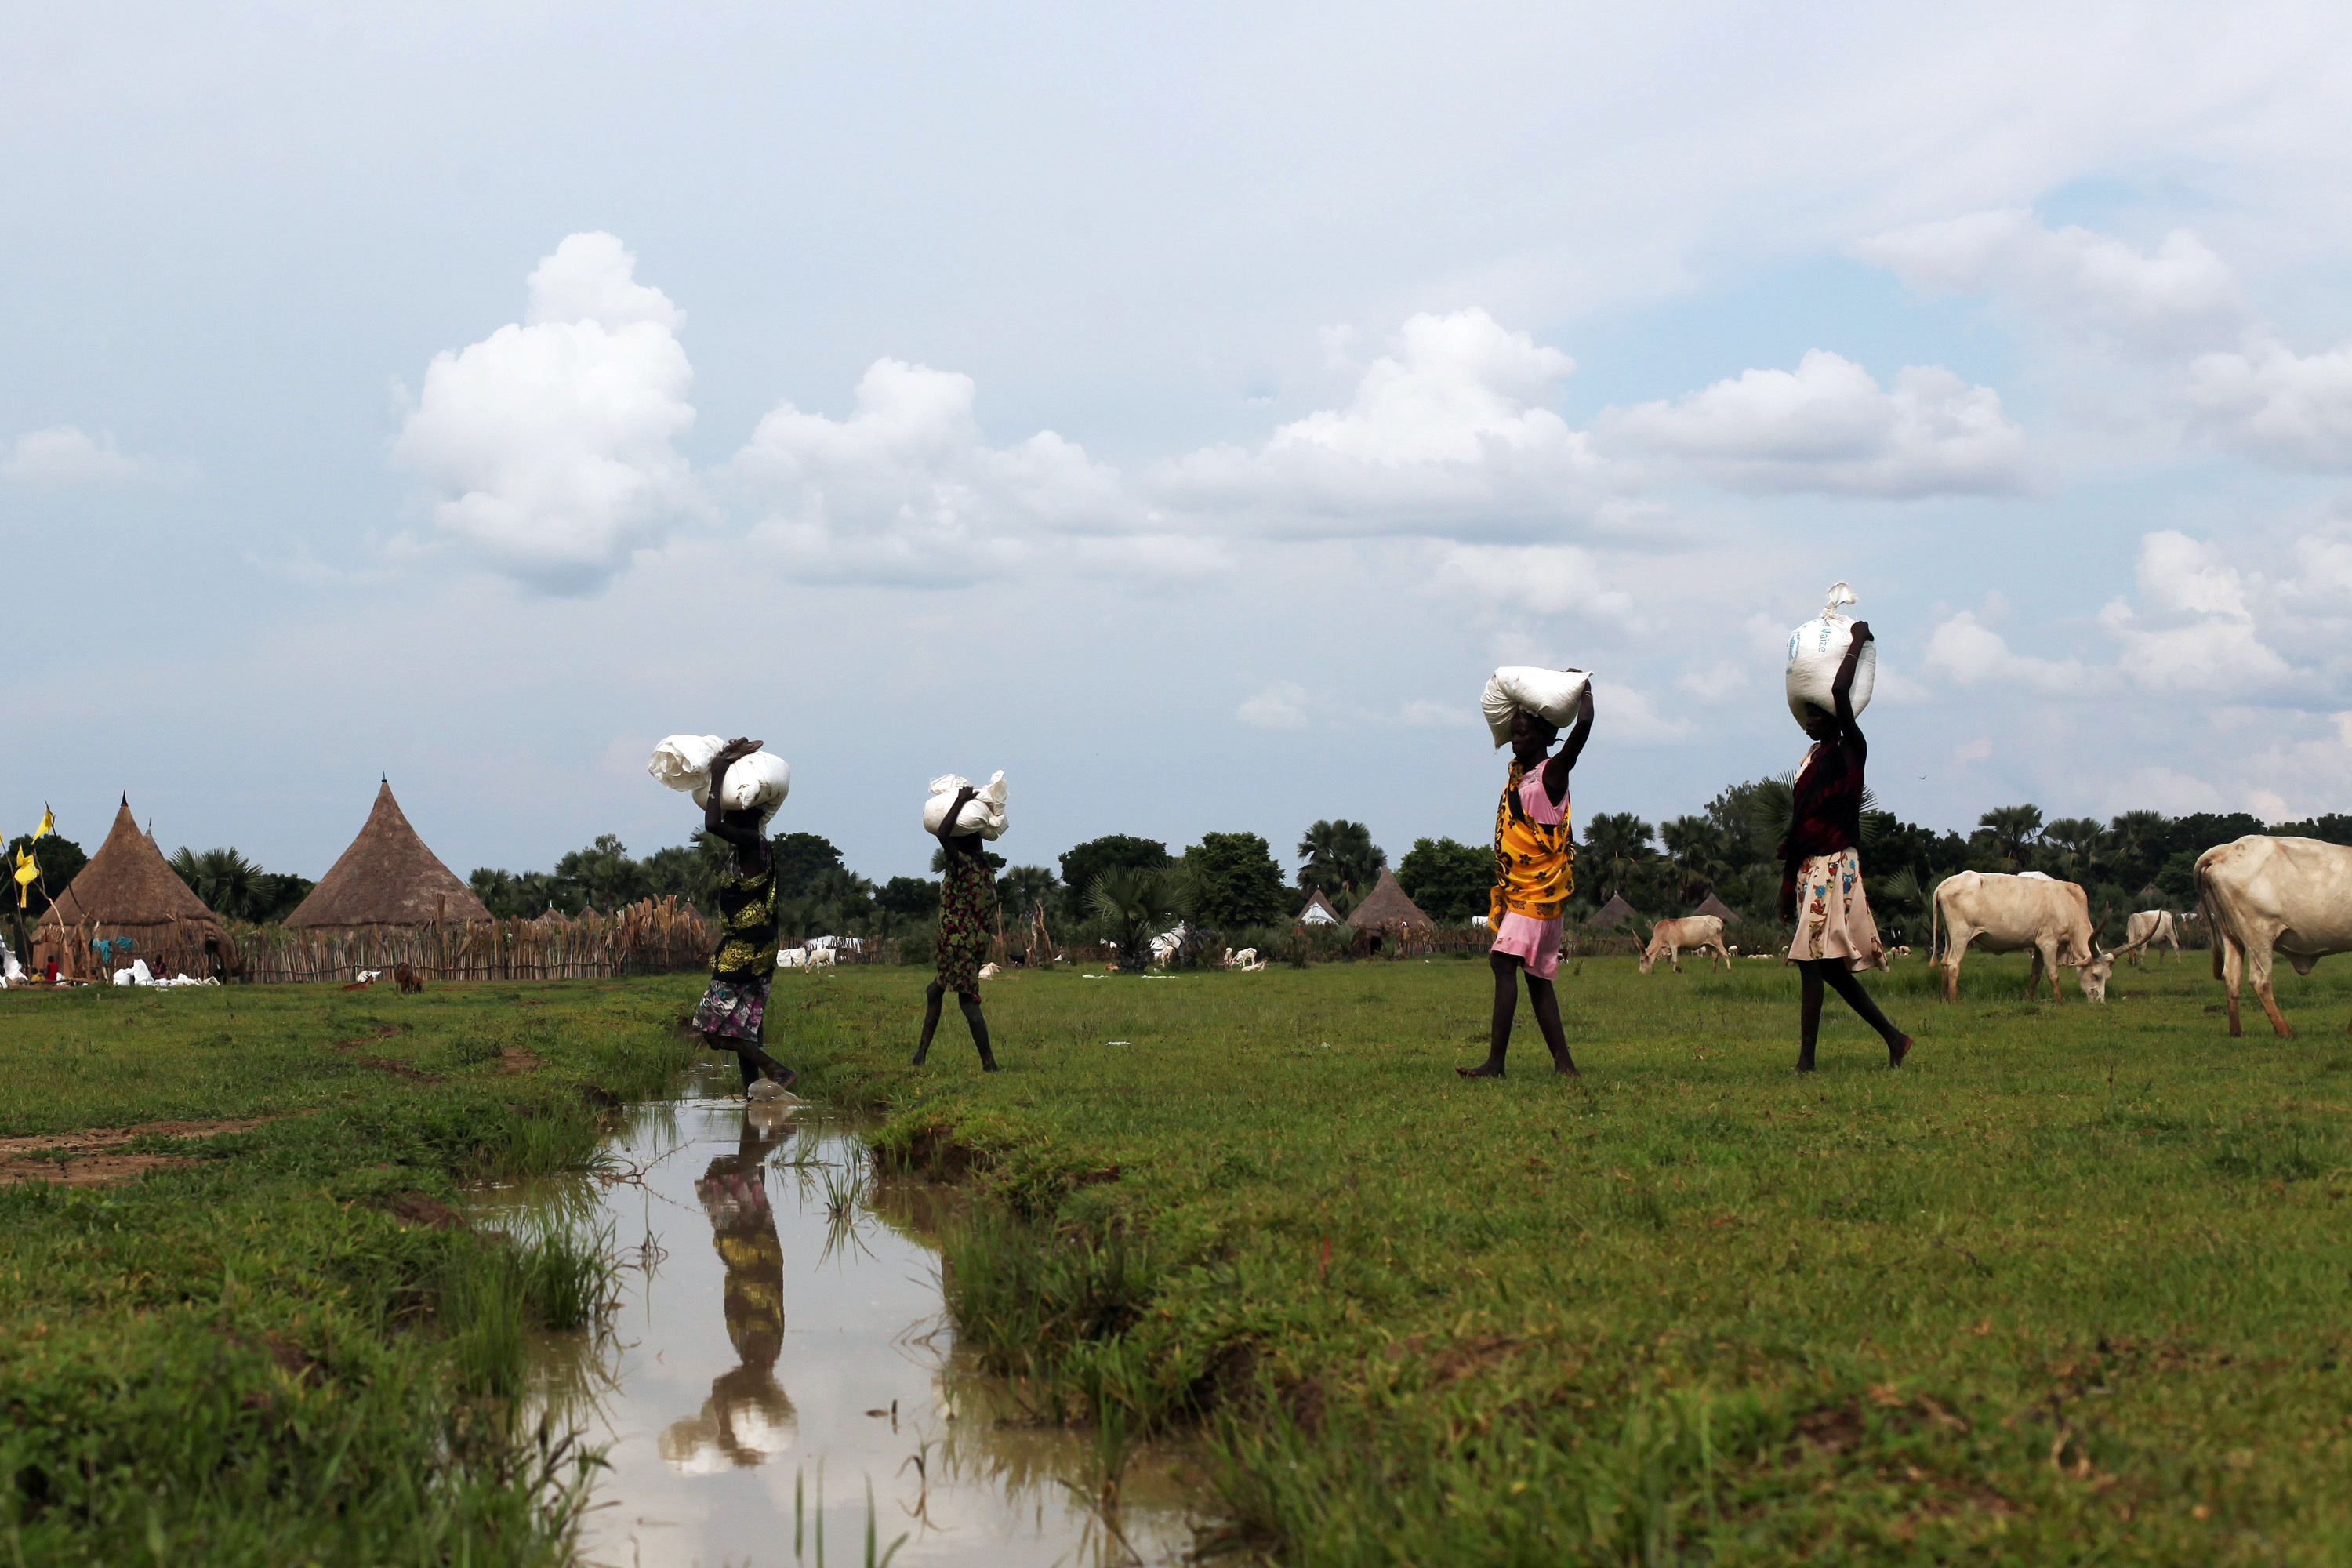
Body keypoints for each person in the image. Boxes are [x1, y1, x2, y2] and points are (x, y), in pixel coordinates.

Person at [1780, 622, 1912, 1071]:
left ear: (1832, 717)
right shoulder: (1812, 758)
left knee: (1812, 965)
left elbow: (1840, 694)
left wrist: (1857, 642)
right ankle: (1895, 1039)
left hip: (1834, 864)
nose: (1807, 723)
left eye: (1814, 716)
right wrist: (1786, 883)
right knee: (1828, 969)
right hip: (1809, 866)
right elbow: (1799, 825)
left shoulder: (1850, 748)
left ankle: (1806, 1062)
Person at [1461, 679, 1594, 1078]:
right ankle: (1565, 1065)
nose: (1514, 740)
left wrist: (1583, 690)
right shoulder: (1520, 775)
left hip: (1539, 894)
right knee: (1536, 979)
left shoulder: (1553, 773)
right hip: (1524, 892)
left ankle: (1496, 1064)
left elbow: (1583, 726)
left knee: (1503, 962)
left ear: (1544, 735)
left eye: (1522, 733)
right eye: (1513, 732)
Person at [691, 738, 795, 1094]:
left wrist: (718, 776)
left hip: (745, 950)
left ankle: (776, 1070)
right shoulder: (757, 843)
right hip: (759, 946)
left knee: (711, 1030)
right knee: (747, 1027)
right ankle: (754, 1092)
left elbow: (712, 825)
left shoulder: (751, 843)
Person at [912, 783, 999, 1071]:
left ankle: (990, 1065)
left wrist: (960, 800)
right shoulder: (984, 869)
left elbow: (942, 833)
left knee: (968, 1002)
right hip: (971, 944)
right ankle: (920, 1056)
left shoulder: (962, 865)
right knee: (935, 991)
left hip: (957, 944)